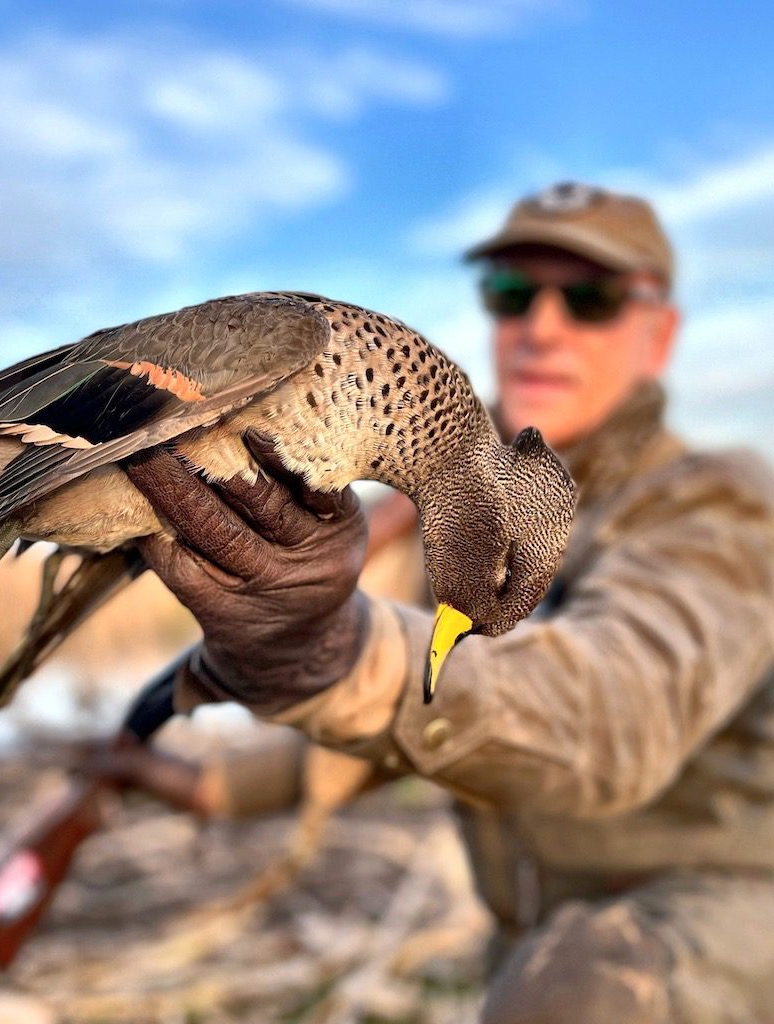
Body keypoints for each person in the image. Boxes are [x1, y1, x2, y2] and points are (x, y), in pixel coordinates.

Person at [123, 183, 774, 1023]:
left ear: (663, 334)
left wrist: (344, 646)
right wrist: (197, 784)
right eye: (512, 292)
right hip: (535, 937)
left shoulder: (721, 505)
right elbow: (401, 730)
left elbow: (618, 709)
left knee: (585, 987)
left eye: (591, 298)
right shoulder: (474, 521)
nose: (541, 327)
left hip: (720, 922)